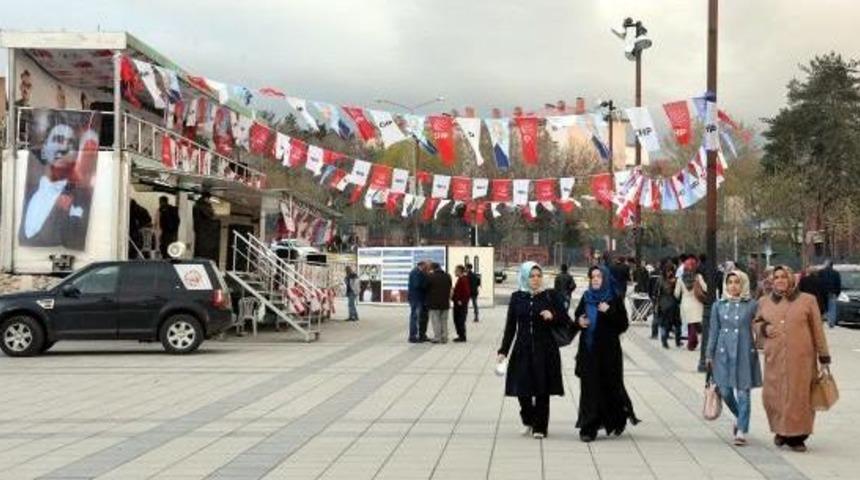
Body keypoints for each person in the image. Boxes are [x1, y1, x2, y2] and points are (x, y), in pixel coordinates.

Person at [754, 265, 831, 452]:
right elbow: (756, 323)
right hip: (775, 358)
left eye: (783, 277)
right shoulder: (764, 301)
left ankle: (798, 436)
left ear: (791, 279)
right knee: (774, 396)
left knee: (799, 397)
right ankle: (781, 431)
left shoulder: (808, 300)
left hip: (802, 360)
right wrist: (764, 329)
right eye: (776, 277)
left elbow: (817, 330)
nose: (780, 280)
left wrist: (824, 357)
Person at [496, 262, 567, 439]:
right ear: (525, 277)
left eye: (538, 276)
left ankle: (540, 427)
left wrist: (553, 316)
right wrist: (503, 350)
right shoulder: (517, 297)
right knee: (522, 389)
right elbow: (511, 326)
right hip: (522, 348)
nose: (535, 279)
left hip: (545, 349)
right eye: (532, 276)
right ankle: (528, 418)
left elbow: (565, 320)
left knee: (542, 389)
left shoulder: (550, 296)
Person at [572, 266, 640, 442]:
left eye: (599, 277)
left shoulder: (614, 298)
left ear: (606, 279)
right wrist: (580, 321)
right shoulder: (586, 297)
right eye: (592, 276)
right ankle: (588, 427)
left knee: (609, 386)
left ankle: (617, 418)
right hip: (588, 351)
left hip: (609, 353)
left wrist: (608, 311)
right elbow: (578, 316)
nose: (595, 280)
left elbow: (623, 325)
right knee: (589, 389)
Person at [706, 270, 762, 446]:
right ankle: (740, 417)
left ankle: (741, 430)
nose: (733, 286)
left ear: (743, 284)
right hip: (723, 353)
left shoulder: (752, 305)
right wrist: (709, 354)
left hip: (745, 351)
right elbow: (714, 331)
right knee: (725, 391)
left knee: (743, 392)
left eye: (737, 282)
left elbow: (760, 325)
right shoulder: (718, 305)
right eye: (729, 282)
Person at [675, 256, 707, 351]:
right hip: (697, 303)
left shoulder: (680, 279)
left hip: (685, 303)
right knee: (695, 323)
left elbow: (676, 294)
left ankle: (692, 342)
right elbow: (705, 288)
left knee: (690, 323)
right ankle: (693, 341)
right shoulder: (698, 277)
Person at [425, 263, 452, 344]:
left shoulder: (430, 277)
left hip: (434, 303)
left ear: (433, 268)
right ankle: (445, 337)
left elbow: (425, 287)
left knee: (435, 321)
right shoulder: (447, 276)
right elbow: (450, 286)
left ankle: (437, 337)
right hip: (445, 302)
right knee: (444, 321)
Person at [656, 265, 682, 348]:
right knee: (666, 324)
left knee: (677, 323)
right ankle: (665, 341)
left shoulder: (675, 280)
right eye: (668, 271)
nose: (670, 273)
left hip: (672, 304)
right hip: (665, 304)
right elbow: (657, 292)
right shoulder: (662, 280)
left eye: (671, 271)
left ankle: (677, 340)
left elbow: (678, 293)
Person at [192, 192, 220, 262]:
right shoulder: (203, 206)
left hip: (199, 228)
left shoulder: (196, 205)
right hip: (205, 230)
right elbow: (210, 215)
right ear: (206, 198)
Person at [407, 261, 428, 343]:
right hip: (416, 298)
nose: (426, 268)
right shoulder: (416, 272)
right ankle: (413, 336)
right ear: (421, 265)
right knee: (415, 317)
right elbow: (417, 284)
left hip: (418, 298)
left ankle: (419, 335)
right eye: (425, 266)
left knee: (418, 317)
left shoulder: (419, 272)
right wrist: (425, 284)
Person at [818, 260, 842, 328]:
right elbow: (838, 284)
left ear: (827, 264)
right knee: (832, 308)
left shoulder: (821, 272)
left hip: (822, 293)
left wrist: (819, 292)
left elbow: (818, 282)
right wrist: (837, 293)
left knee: (822, 307)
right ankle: (831, 323)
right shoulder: (836, 273)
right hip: (832, 292)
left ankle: (821, 320)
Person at [451, 265, 472, 342]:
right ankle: (460, 335)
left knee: (460, 320)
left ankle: (462, 337)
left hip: (460, 305)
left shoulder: (463, 279)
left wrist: (461, 301)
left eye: (456, 271)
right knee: (456, 320)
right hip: (457, 303)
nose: (454, 272)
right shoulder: (460, 279)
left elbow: (467, 292)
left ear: (460, 271)